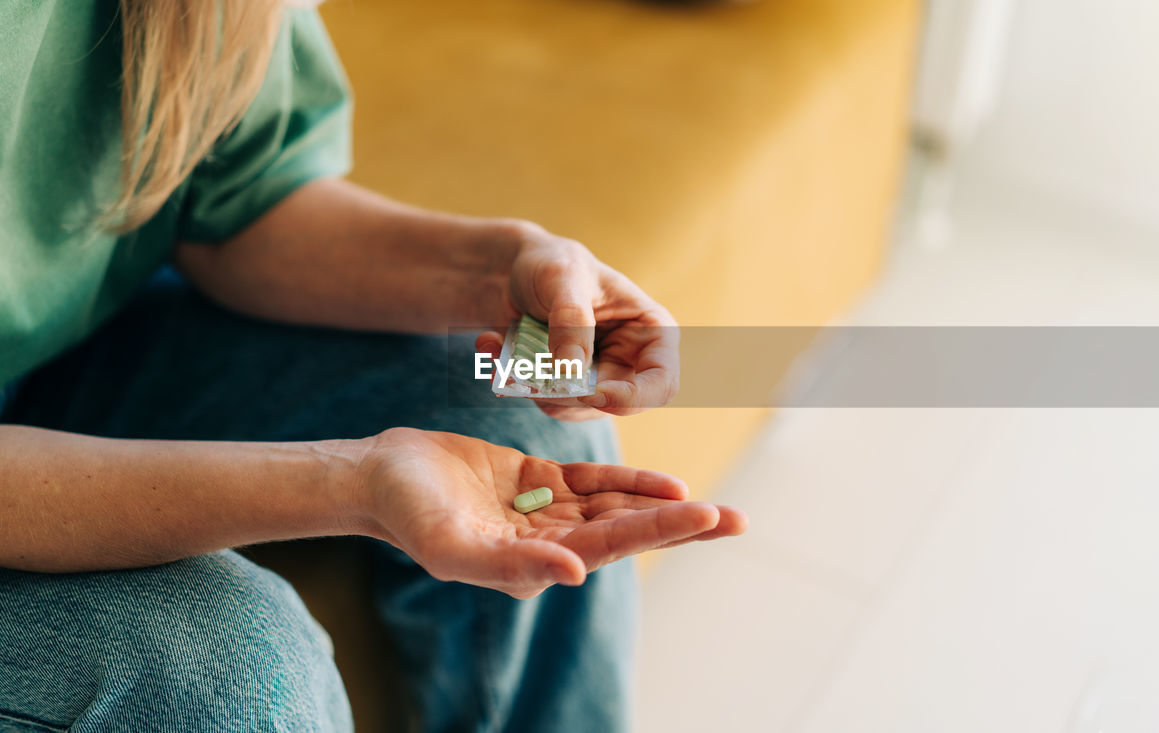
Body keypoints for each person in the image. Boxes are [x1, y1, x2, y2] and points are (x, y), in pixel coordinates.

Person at [0, 3, 746, 731]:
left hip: (68, 348)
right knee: (225, 671)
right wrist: (350, 478)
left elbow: (240, 200)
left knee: (515, 417)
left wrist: (506, 269)